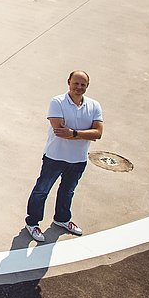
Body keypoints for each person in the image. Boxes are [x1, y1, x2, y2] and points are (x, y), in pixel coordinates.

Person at [25, 70, 103, 242]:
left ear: (87, 86)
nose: (79, 87)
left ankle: (62, 219)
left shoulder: (94, 105)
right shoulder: (57, 102)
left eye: (83, 84)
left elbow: (98, 133)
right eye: (76, 83)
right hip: (55, 157)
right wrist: (84, 133)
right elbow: (59, 131)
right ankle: (32, 222)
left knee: (68, 191)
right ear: (69, 82)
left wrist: (74, 133)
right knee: (42, 190)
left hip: (78, 159)